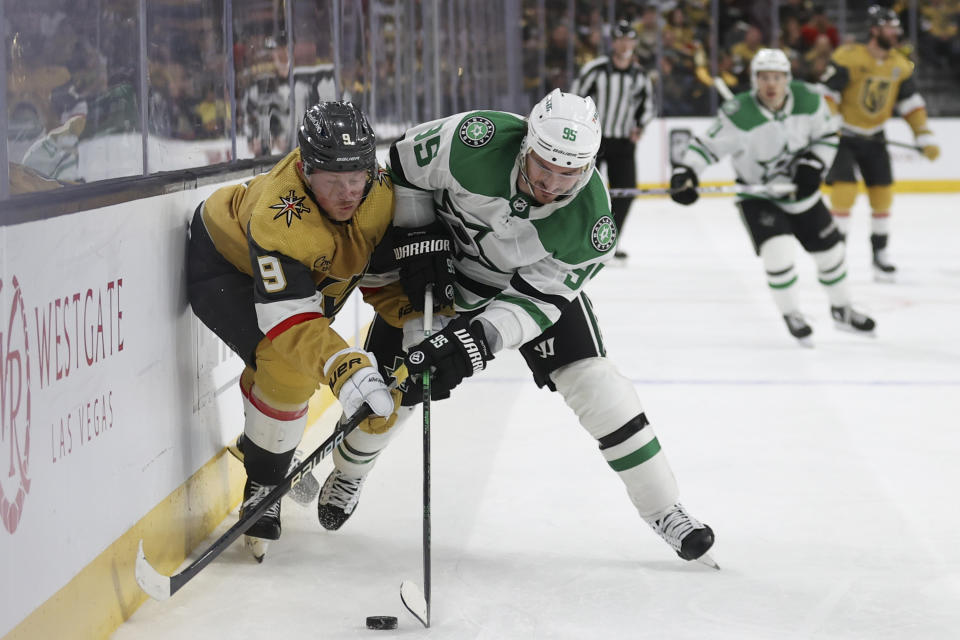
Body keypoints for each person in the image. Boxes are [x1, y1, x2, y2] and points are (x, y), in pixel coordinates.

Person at [316, 89, 717, 566]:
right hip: (439, 272)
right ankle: (349, 472)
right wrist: (417, 233)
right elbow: (403, 162)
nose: (550, 183)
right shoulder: (475, 138)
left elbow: (539, 299)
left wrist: (475, 341)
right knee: (388, 394)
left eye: (568, 173)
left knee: (599, 387)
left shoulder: (593, 225)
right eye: (543, 165)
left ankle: (664, 508)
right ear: (526, 143)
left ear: (587, 167)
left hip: (521, 290)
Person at [186, 101, 409, 560]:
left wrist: (421, 324)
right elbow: (289, 322)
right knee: (287, 366)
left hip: (307, 275)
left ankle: (260, 443)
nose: (349, 192)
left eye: (357, 176)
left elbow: (380, 275)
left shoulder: (381, 192)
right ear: (306, 170)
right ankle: (264, 484)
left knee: (290, 370)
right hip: (225, 266)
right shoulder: (278, 215)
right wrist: (344, 366)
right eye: (333, 180)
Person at [669, 49, 876, 344]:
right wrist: (686, 172)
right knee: (778, 253)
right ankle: (792, 313)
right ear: (754, 80)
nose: (771, 84)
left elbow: (828, 135)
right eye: (764, 77)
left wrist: (814, 165)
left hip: (800, 192)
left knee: (831, 254)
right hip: (759, 195)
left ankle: (842, 309)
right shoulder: (738, 113)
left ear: (787, 80)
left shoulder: (809, 100)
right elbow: (706, 147)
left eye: (777, 78)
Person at [821, 5, 940, 281]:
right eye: (889, 27)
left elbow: (910, 104)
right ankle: (835, 255)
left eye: (896, 27)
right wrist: (831, 123)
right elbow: (828, 93)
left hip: (875, 136)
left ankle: (880, 254)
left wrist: (923, 134)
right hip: (844, 136)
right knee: (845, 191)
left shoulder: (899, 65)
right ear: (874, 30)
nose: (895, 32)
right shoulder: (849, 57)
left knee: (882, 195)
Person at [570, 19, 655, 262]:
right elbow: (576, 97)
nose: (625, 44)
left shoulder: (640, 76)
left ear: (634, 43)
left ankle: (608, 241)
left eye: (629, 39)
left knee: (626, 192)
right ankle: (577, 239)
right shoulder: (595, 70)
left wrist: (640, 127)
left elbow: (648, 107)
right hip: (594, 140)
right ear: (613, 42)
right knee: (581, 189)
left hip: (623, 143)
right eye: (620, 39)